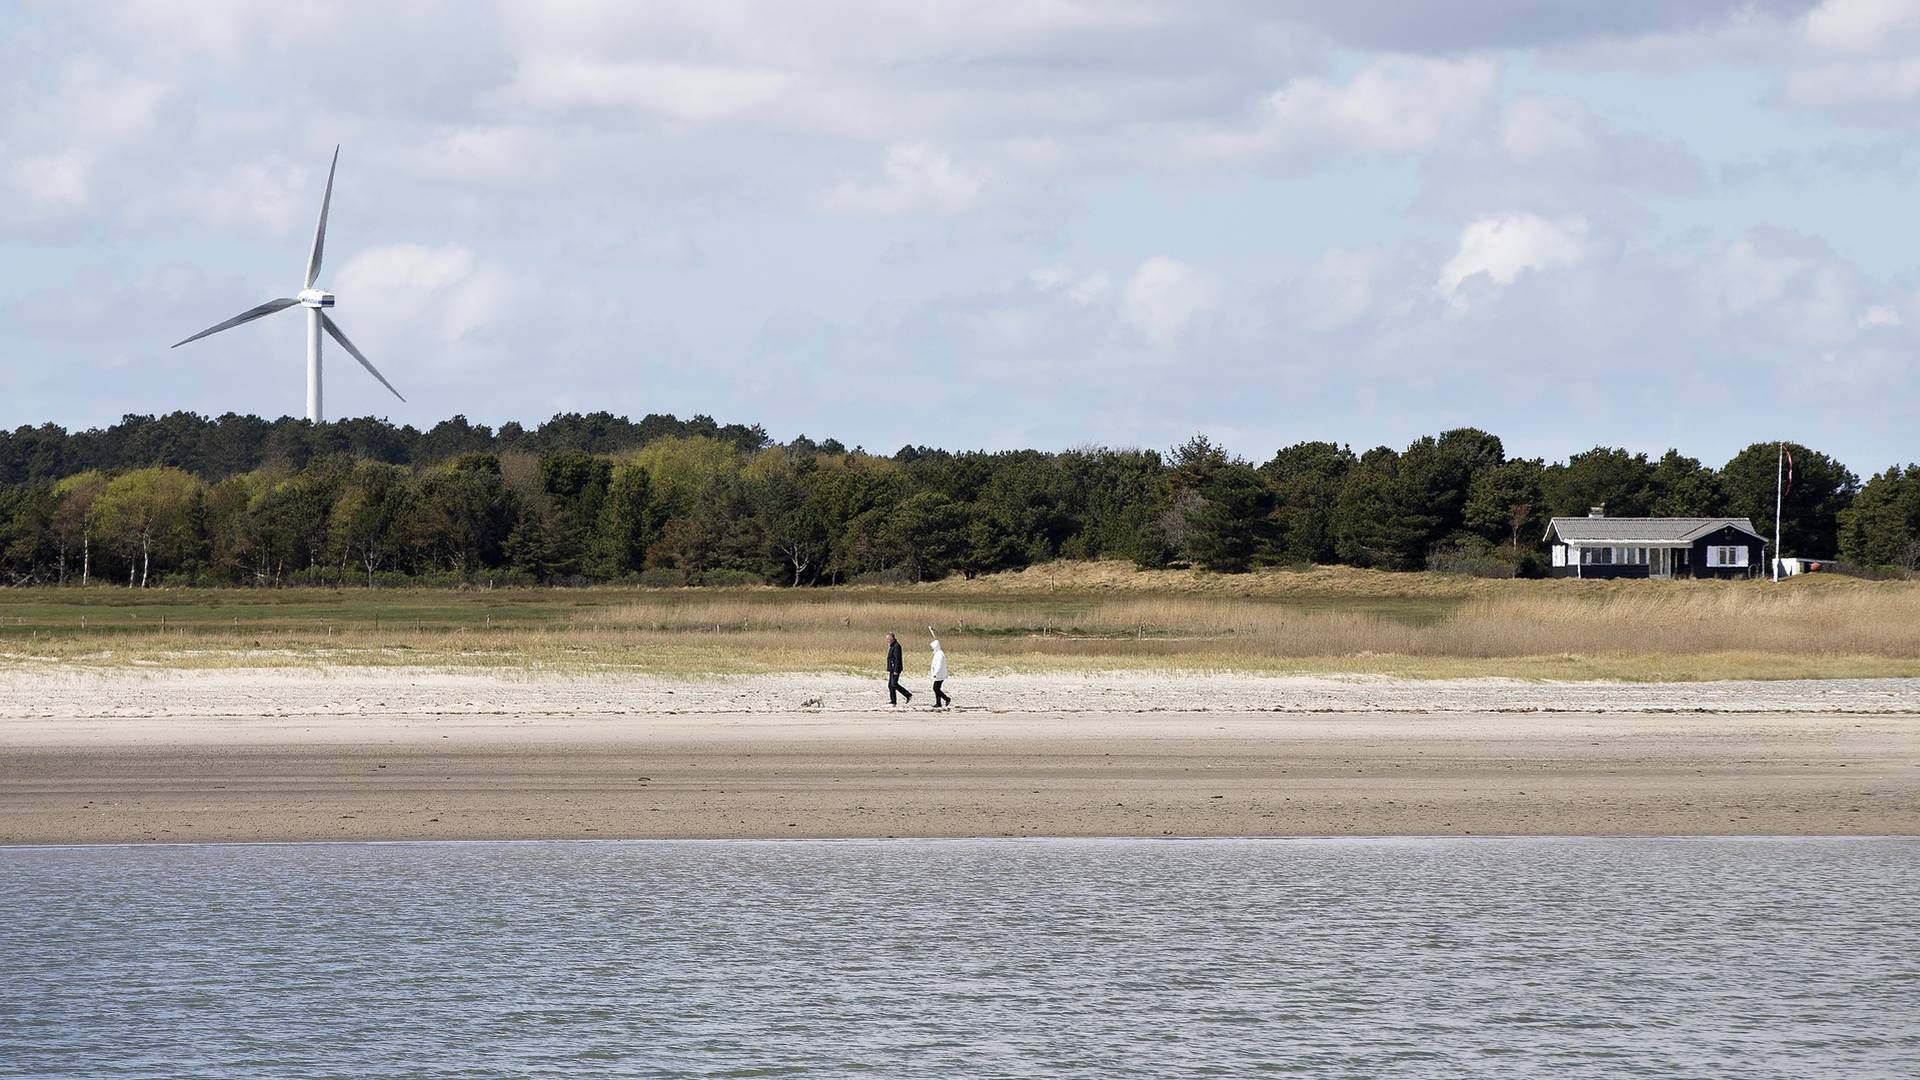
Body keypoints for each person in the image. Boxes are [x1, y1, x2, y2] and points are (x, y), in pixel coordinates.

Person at [886, 632, 913, 706]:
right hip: (892, 668)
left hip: (895, 669)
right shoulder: (892, 646)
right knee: (890, 685)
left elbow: (897, 659)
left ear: (892, 638)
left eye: (888, 638)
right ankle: (893, 701)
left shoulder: (896, 646)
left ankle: (908, 695)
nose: (887, 640)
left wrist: (896, 670)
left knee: (894, 684)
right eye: (887, 639)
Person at [928, 626, 951, 708]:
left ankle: (946, 698)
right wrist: (931, 631)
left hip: (940, 674)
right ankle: (938, 703)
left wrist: (936, 673)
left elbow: (940, 665)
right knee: (936, 688)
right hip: (939, 674)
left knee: (935, 688)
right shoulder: (937, 652)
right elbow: (936, 640)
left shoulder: (940, 654)